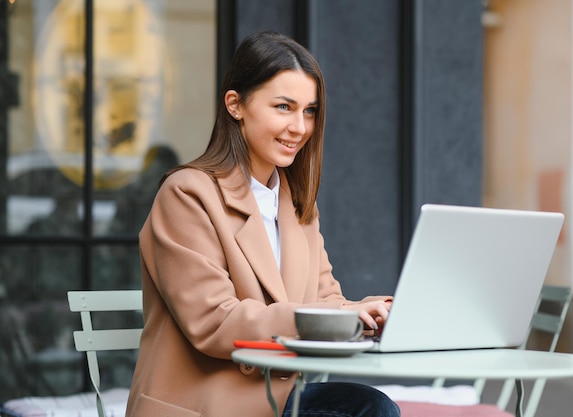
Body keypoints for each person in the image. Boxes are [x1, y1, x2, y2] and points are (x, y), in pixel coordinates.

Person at [125, 31, 400, 417]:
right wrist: (339, 315)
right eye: (284, 107)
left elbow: (324, 302)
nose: (300, 127)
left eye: (309, 111)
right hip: (208, 405)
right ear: (235, 105)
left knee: (372, 406)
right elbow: (215, 320)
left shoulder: (296, 204)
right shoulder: (187, 194)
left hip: (274, 400)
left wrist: (366, 312)